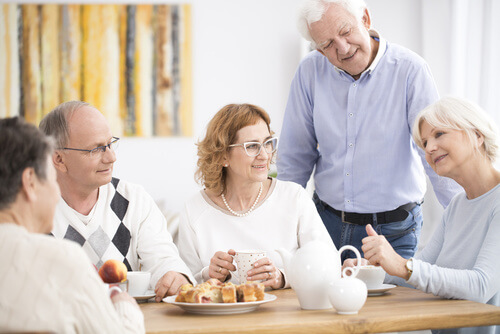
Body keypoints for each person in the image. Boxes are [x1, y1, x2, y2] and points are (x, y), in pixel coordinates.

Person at [277, 0, 461, 263]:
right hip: (324, 226)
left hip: (394, 232)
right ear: (318, 49)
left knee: (392, 304)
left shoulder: (410, 70)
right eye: (327, 44)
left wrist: (465, 219)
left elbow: (436, 154)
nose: (342, 48)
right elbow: (294, 158)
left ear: (365, 18)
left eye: (345, 31)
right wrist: (282, 227)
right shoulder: (309, 72)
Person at [351, 96, 500, 334]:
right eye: (425, 142)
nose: (429, 148)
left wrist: (401, 265)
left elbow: (481, 285)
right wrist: (369, 268)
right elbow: (421, 270)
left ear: (477, 135)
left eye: (439, 134)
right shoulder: (456, 206)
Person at [39, 101, 194, 302]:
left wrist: (175, 275)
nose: (111, 157)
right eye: (96, 149)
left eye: (110, 144)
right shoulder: (30, 209)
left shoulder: (133, 199)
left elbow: (162, 259)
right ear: (58, 159)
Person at [0, 117, 144, 333]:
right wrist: (123, 304)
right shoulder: (60, 260)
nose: (56, 193)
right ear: (30, 182)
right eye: (51, 179)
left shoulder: (133, 198)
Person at [176, 103, 336, 287]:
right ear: (223, 156)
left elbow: (328, 263)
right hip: (219, 315)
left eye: (268, 143)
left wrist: (282, 277)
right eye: (252, 146)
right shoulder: (194, 209)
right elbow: (184, 282)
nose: (265, 155)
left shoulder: (294, 198)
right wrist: (208, 274)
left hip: (283, 314)